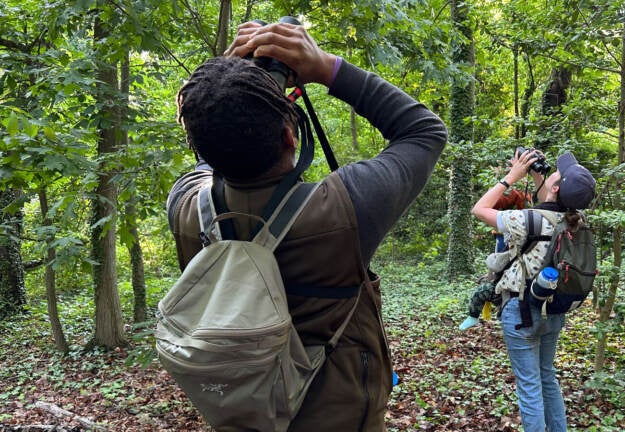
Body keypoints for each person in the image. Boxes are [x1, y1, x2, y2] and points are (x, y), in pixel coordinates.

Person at [165, 21, 447, 431]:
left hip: (247, 417)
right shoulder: (346, 208)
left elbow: (207, 150)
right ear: (290, 136)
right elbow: (424, 131)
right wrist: (325, 67)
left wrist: (222, 89)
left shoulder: (186, 211)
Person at [471, 149, 596, 432]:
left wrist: (511, 177)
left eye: (556, 174)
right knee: (547, 377)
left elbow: (479, 209)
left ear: (555, 187)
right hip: (553, 309)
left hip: (521, 311)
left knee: (529, 387)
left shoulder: (525, 220)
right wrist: (538, 174)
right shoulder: (577, 221)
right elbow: (549, 205)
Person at [458, 188, 528, 331]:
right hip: (528, 283)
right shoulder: (531, 227)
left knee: (481, 293)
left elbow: (497, 263)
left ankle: (473, 316)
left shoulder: (509, 234)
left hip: (511, 284)